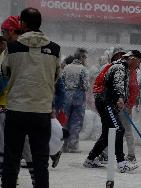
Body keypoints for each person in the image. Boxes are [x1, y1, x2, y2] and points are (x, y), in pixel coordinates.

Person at [1, 8, 60, 188]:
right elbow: (55, 76)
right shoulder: (55, 49)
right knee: (41, 162)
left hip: (16, 110)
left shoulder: (12, 48)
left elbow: (5, 73)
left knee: (12, 160)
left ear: (22, 24)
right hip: (41, 112)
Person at [84, 50, 141, 173]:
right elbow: (118, 84)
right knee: (119, 129)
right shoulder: (120, 68)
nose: (139, 65)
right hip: (107, 102)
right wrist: (120, 98)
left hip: (106, 102)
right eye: (138, 61)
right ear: (132, 59)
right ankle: (121, 163)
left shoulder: (122, 67)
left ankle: (90, 159)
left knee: (106, 135)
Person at [0, 15, 36, 185]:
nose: (3, 36)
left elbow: (5, 78)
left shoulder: (14, 51)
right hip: (23, 105)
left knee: (13, 146)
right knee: (21, 145)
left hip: (13, 106)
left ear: (12, 31)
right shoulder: (20, 49)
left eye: (4, 32)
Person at [62, 48, 89, 153]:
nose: (85, 60)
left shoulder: (66, 67)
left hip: (66, 96)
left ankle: (63, 145)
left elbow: (62, 82)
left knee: (65, 120)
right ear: (81, 57)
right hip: (78, 96)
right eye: (85, 57)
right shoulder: (83, 69)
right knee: (76, 121)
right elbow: (86, 86)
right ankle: (72, 146)